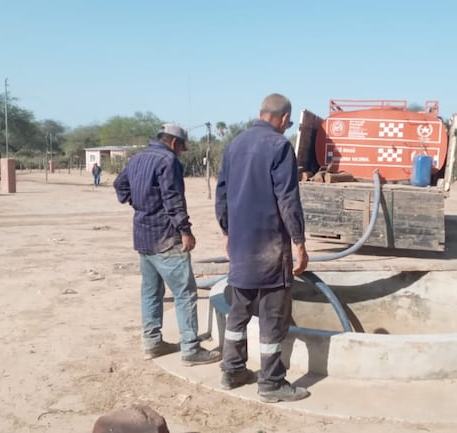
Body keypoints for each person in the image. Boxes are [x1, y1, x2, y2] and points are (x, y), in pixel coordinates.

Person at [215, 93, 310, 403]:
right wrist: (299, 241)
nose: (288, 127)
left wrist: (228, 232)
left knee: (238, 312)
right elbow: (287, 199)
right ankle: (271, 383)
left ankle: (232, 370)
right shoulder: (279, 146)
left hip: (241, 247)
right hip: (270, 249)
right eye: (289, 122)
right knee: (273, 316)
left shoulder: (235, 145)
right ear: (283, 118)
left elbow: (222, 195)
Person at [114, 124, 221, 366]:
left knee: (151, 292)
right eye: (182, 148)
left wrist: (140, 204)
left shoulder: (136, 158)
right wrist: (185, 231)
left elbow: (120, 186)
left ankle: (152, 344)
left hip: (143, 236)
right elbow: (173, 199)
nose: (181, 153)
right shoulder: (167, 160)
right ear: (174, 143)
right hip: (166, 237)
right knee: (185, 293)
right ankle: (191, 349)